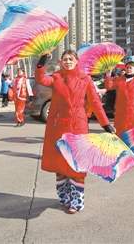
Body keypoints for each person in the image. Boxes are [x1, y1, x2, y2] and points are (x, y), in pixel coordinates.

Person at [34, 51, 115, 214]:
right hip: (58, 126)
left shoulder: (85, 79)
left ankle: (76, 201)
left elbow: (95, 102)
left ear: (77, 61)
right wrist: (42, 62)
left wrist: (106, 124)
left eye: (71, 59)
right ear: (61, 62)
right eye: (65, 59)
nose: (68, 61)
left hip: (78, 124)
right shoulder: (56, 77)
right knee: (60, 162)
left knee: (77, 164)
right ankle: (64, 197)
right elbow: (41, 79)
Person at [104, 61, 134, 140]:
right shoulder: (120, 79)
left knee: (132, 130)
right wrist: (108, 75)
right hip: (120, 109)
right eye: (127, 68)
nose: (128, 69)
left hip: (133, 109)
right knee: (119, 129)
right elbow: (109, 87)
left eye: (130, 68)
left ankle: (133, 148)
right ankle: (120, 147)